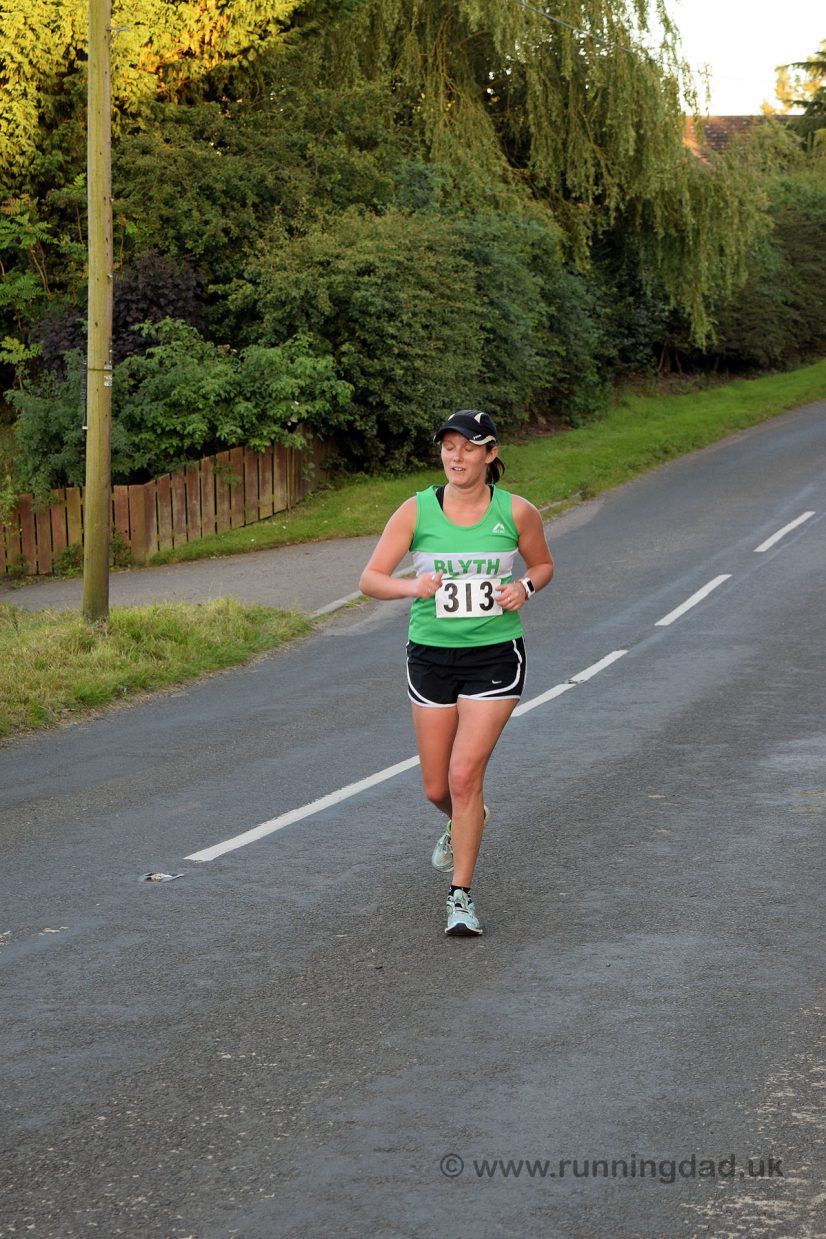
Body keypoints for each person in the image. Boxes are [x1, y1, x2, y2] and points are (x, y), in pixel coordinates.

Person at [359, 410, 554, 937]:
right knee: (435, 786)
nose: (456, 457)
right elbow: (370, 579)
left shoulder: (516, 512)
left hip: (494, 656)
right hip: (430, 656)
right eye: (449, 447)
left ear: (490, 455)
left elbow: (542, 565)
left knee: (465, 777)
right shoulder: (417, 511)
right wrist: (412, 588)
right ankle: (467, 819)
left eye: (468, 448)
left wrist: (525, 589)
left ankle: (460, 897)